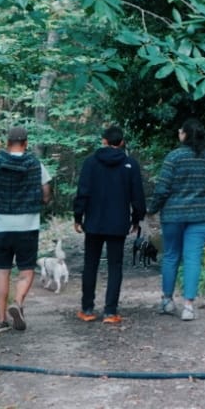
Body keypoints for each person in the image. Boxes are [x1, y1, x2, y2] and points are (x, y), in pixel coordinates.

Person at [147, 118, 205, 321]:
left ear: (185, 135)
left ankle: (167, 301)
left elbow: (162, 188)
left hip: (173, 215)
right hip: (200, 217)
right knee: (192, 258)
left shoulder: (173, 158)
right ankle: (188, 306)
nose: (179, 132)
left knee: (171, 255)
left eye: (181, 130)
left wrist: (152, 209)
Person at [0, 125, 49, 334]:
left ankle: (1, 320)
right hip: (27, 224)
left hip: (0, 225)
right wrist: (43, 200)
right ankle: (17, 303)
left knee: (2, 271)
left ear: (7, 143)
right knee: (26, 270)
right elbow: (46, 191)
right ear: (26, 143)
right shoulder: (36, 165)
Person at [74, 125, 145, 323]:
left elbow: (83, 192)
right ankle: (110, 311)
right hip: (118, 223)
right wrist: (136, 219)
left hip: (94, 222)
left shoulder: (90, 163)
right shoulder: (130, 164)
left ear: (104, 140)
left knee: (90, 264)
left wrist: (78, 217)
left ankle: (87, 309)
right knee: (115, 266)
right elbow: (137, 196)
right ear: (121, 142)